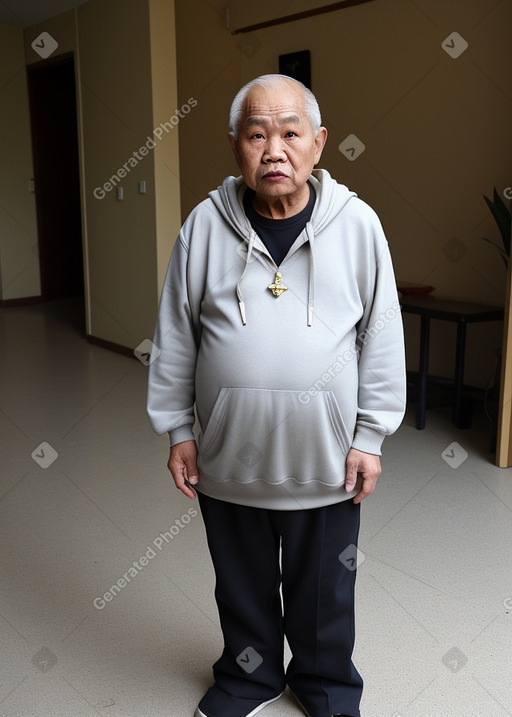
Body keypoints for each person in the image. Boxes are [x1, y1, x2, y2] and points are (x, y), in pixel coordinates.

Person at [147, 74, 406, 717]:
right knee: (241, 582)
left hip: (327, 456)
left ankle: (325, 685)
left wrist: (370, 437)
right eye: (257, 134)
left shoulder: (359, 226)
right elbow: (176, 334)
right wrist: (179, 428)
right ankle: (249, 677)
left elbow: (382, 335)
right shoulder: (202, 227)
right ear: (235, 144)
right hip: (230, 456)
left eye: (291, 133)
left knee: (326, 586)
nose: (274, 150)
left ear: (319, 144)